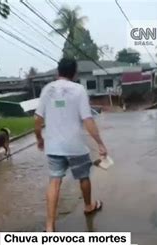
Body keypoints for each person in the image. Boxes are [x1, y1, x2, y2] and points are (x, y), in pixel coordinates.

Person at [34, 58, 108, 232]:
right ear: (74, 73)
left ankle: (50, 226)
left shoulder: (47, 90)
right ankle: (89, 206)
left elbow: (37, 119)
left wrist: (39, 138)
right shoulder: (79, 90)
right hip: (75, 146)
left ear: (58, 72)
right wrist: (100, 143)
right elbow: (87, 119)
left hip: (53, 147)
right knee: (83, 177)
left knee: (54, 182)